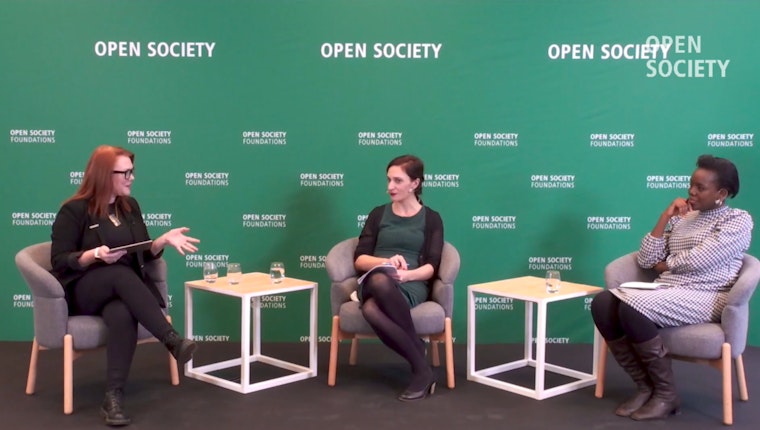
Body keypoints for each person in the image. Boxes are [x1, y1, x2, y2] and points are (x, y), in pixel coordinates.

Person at [591, 154, 753, 420]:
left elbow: (702, 258)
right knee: (603, 302)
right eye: (692, 184)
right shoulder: (682, 218)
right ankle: (645, 387)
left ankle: (666, 395)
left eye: (701, 187)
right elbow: (646, 259)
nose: (691, 191)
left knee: (632, 308)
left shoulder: (737, 220)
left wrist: (665, 265)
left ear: (721, 193)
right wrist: (665, 217)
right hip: (667, 291)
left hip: (707, 295)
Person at [50, 145, 201, 427]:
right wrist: (95, 255)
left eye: (132, 172)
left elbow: (141, 251)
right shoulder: (74, 210)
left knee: (122, 312)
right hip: (84, 289)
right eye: (125, 172)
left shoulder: (130, 207)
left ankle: (113, 398)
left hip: (121, 291)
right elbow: (59, 260)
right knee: (119, 275)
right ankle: (171, 339)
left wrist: (162, 241)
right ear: (105, 175)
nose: (131, 177)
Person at [354, 154, 444, 402]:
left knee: (371, 310)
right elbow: (360, 260)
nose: (390, 187)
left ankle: (419, 365)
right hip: (374, 280)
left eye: (397, 180)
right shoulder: (378, 214)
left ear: (414, 184)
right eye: (388, 180)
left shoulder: (432, 218)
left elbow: (431, 266)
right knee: (379, 280)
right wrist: (384, 262)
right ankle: (421, 365)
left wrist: (407, 275)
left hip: (410, 284)